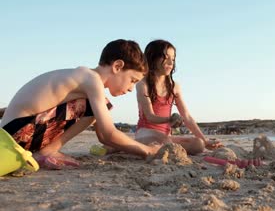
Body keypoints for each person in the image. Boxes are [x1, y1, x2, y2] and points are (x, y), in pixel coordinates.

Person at [0, 39, 161, 169]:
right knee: (100, 106)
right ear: (117, 66)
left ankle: (46, 151)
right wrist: (148, 151)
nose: (131, 88)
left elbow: (104, 137)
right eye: (132, 80)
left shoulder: (84, 79)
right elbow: (108, 134)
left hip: (15, 131)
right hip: (15, 135)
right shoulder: (90, 79)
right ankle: (46, 152)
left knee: (99, 107)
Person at [135, 39, 222, 155]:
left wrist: (205, 141)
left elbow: (186, 116)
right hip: (145, 132)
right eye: (166, 58)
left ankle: (156, 148)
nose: (171, 63)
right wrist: (170, 119)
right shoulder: (143, 84)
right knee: (165, 141)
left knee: (198, 144)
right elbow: (150, 116)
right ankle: (128, 145)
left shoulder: (174, 86)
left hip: (166, 137)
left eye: (173, 59)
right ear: (153, 58)